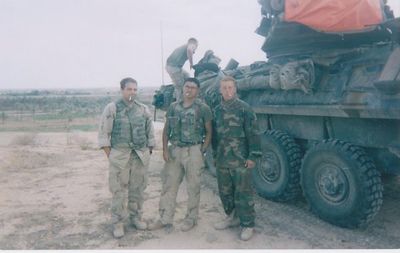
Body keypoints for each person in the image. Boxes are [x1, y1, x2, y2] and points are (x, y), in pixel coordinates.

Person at [149, 77, 212, 232]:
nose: (189, 89)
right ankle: (165, 218)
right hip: (175, 151)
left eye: (193, 87)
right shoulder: (173, 107)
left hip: (194, 151)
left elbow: (209, 131)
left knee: (193, 187)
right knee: (169, 185)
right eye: (187, 86)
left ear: (197, 90)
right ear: (183, 88)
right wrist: (164, 149)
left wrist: (202, 150)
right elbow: (166, 130)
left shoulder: (203, 108)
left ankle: (191, 219)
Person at [98, 77, 155, 238]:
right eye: (129, 89)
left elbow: (150, 134)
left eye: (135, 89)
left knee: (138, 190)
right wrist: (112, 155)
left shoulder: (143, 109)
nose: (132, 92)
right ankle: (117, 222)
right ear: (122, 90)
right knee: (118, 192)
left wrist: (147, 152)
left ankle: (136, 218)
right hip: (120, 157)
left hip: (139, 157)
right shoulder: (112, 108)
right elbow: (104, 134)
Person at [212, 76, 261, 241]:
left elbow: (253, 134)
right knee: (225, 192)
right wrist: (214, 156)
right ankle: (232, 217)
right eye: (224, 88)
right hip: (222, 159)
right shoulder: (217, 110)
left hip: (240, 159)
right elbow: (214, 137)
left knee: (243, 193)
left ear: (235, 89)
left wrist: (253, 156)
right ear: (220, 90)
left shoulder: (244, 109)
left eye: (230, 87)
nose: (227, 91)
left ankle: (248, 224)